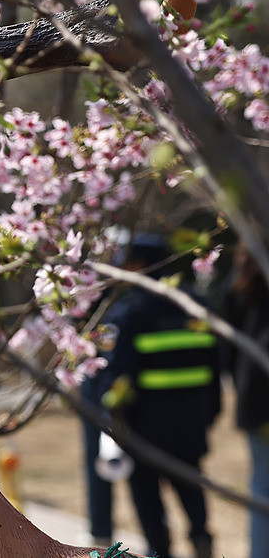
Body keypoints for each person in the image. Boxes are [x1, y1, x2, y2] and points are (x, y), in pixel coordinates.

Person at [98, 234, 219, 558]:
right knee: (191, 486)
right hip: (192, 421)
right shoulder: (197, 305)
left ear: (138, 265)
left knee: (147, 498)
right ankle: (201, 539)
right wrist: (209, 414)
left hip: (144, 427)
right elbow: (217, 366)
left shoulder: (128, 312)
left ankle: (159, 549)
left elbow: (116, 375)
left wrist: (115, 421)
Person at [219, 242, 269, 558]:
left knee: (262, 485)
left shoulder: (242, 286)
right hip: (260, 399)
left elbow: (226, 349)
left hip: (254, 399)